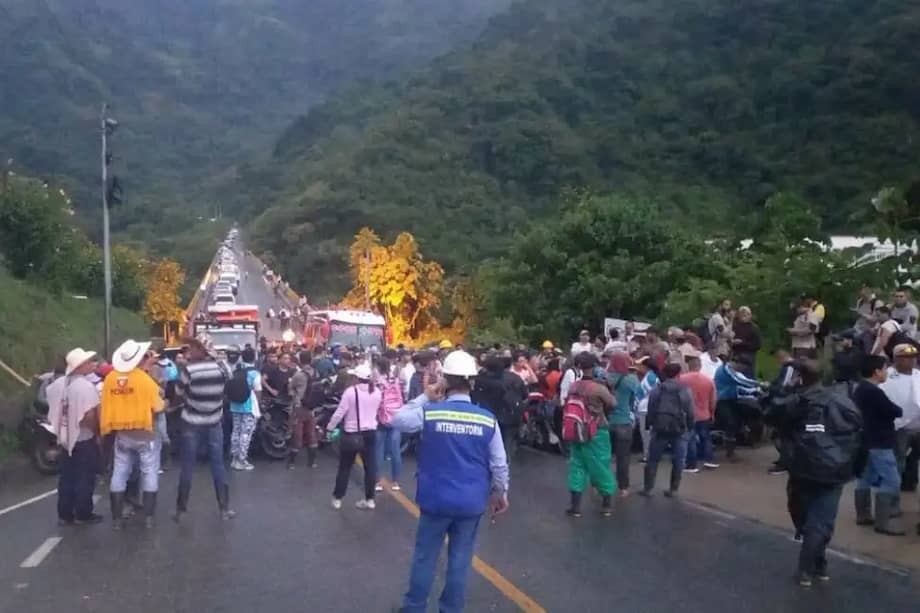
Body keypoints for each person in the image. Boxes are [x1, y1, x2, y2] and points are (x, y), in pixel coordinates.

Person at [390, 350, 509, 613]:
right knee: (460, 561)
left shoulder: (431, 413)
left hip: (435, 499)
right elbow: (499, 464)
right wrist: (500, 493)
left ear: (445, 380)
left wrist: (425, 396)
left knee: (425, 558)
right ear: (472, 382)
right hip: (471, 502)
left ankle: (414, 608)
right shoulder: (487, 419)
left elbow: (397, 420)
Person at [764, 360, 864, 587]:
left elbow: (769, 412)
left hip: (806, 468)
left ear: (799, 377)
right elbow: (861, 432)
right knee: (817, 518)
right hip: (830, 469)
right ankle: (817, 559)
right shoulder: (838, 401)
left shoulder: (797, 401)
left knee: (812, 518)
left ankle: (807, 567)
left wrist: (785, 387)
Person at [100, 340, 164, 529]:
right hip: (145, 434)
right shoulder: (145, 380)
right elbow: (158, 407)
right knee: (149, 472)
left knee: (119, 473)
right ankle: (148, 518)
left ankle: (117, 520)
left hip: (122, 434)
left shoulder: (110, 378)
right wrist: (166, 403)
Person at [175, 338, 234, 522]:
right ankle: (224, 509)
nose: (189, 351)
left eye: (193, 348)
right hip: (214, 421)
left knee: (188, 465)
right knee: (218, 465)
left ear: (201, 350)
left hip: (191, 422)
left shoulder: (189, 370)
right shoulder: (222, 369)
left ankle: (181, 510)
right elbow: (230, 377)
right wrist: (217, 357)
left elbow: (178, 393)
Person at [46, 348, 103, 526]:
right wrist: (97, 432)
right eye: (87, 362)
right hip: (83, 437)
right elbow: (89, 416)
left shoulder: (57, 385)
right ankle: (83, 513)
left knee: (67, 477)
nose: (90, 364)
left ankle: (65, 514)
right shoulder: (86, 387)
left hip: (64, 437)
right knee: (85, 477)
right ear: (80, 366)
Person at [852, 355, 905, 535]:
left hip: (865, 440)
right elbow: (894, 410)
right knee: (892, 480)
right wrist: (898, 409)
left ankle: (863, 514)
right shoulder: (875, 392)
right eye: (884, 369)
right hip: (880, 441)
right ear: (876, 372)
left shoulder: (860, 389)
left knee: (864, 477)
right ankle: (883, 522)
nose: (886, 372)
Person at [565, 352, 617, 517]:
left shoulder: (573, 386)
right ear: (594, 366)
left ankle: (575, 507)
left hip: (576, 430)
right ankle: (606, 504)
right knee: (600, 465)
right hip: (597, 432)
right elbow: (613, 403)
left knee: (577, 466)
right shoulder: (598, 388)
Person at [327, 362, 381, 510]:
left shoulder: (350, 392)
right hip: (370, 432)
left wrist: (330, 427)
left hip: (352, 433)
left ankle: (338, 498)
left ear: (357, 378)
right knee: (370, 467)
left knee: (345, 467)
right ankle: (370, 499)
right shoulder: (376, 392)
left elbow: (340, 412)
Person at [640, 363, 694, 497]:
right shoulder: (685, 390)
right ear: (678, 374)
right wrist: (689, 426)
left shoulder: (658, 389)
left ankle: (648, 488)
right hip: (680, 429)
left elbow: (651, 408)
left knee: (653, 459)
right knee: (678, 460)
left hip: (660, 428)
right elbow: (690, 410)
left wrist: (649, 424)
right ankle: (673, 489)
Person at [879, 343, 920, 520]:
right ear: (896, 359)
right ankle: (892, 505)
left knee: (913, 465)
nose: (911, 361)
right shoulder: (887, 376)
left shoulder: (918, 375)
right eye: (906, 357)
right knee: (897, 466)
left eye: (913, 357)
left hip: (918, 427)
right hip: (899, 428)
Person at [472, 355, 526, 461]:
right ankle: (504, 466)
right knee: (506, 446)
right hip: (510, 416)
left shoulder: (480, 380)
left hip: (487, 417)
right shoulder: (515, 378)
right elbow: (524, 394)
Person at [714, 355, 761, 460]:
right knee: (730, 423)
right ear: (738, 363)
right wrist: (759, 384)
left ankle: (732, 448)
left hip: (732, 399)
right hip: (722, 401)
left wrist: (754, 391)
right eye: (743, 367)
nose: (743, 370)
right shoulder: (726, 370)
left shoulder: (733, 370)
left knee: (736, 422)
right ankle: (730, 452)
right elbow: (740, 381)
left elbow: (739, 386)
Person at [606, 351, 639, 495]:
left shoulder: (604, 378)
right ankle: (623, 488)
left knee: (603, 455)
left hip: (605, 422)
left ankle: (599, 484)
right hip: (624, 422)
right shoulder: (631, 380)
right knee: (623, 457)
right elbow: (636, 399)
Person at [680, 353, 719, 472]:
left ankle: (691, 465)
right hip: (704, 414)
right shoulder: (708, 380)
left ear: (689, 366)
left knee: (690, 438)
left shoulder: (681, 379)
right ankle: (709, 461)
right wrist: (712, 413)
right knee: (705, 438)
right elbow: (713, 400)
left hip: (687, 414)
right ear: (700, 366)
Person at [228, 347, 261, 471]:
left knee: (236, 431)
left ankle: (234, 458)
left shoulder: (236, 370)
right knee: (245, 433)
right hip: (248, 406)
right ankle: (241, 460)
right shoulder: (254, 373)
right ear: (254, 358)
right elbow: (258, 391)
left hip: (235, 405)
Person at [374, 357, 405, 491]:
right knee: (395, 450)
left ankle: (378, 482)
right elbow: (401, 398)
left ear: (378, 367)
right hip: (395, 417)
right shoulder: (395, 380)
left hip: (381, 418)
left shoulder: (377, 382)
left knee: (378, 450)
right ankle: (396, 482)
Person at [288, 350, 318, 469]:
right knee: (311, 434)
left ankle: (292, 463)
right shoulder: (315, 372)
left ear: (300, 360)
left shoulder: (298, 375)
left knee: (297, 435)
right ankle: (312, 462)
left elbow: (290, 388)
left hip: (299, 408)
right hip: (312, 408)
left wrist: (294, 394)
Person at [634, 356, 659, 462]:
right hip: (649, 409)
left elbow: (641, 393)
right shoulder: (653, 377)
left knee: (646, 434)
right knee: (649, 434)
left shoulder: (650, 378)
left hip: (645, 410)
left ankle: (647, 456)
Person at [731, 306, 762, 374]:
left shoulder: (754, 328)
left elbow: (758, 345)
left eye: (745, 315)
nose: (743, 317)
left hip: (748, 357)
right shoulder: (735, 326)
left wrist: (742, 343)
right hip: (735, 356)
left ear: (750, 316)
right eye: (741, 314)